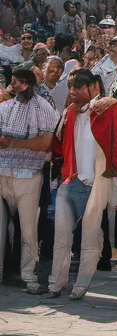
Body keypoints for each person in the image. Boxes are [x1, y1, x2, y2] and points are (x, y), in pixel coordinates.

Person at [48, 70, 117, 300]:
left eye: (78, 87)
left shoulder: (107, 110)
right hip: (71, 182)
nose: (72, 92)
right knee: (61, 237)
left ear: (94, 87)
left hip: (96, 183)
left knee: (90, 236)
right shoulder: (69, 114)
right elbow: (59, 146)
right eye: (70, 87)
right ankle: (56, 284)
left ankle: (80, 286)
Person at [0, 67, 58, 293]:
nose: (14, 87)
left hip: (29, 175)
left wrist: (12, 143)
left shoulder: (43, 108)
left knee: (28, 230)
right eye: (12, 82)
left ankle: (28, 275)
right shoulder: (5, 107)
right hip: (3, 172)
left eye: (18, 83)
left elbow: (44, 143)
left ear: (29, 84)